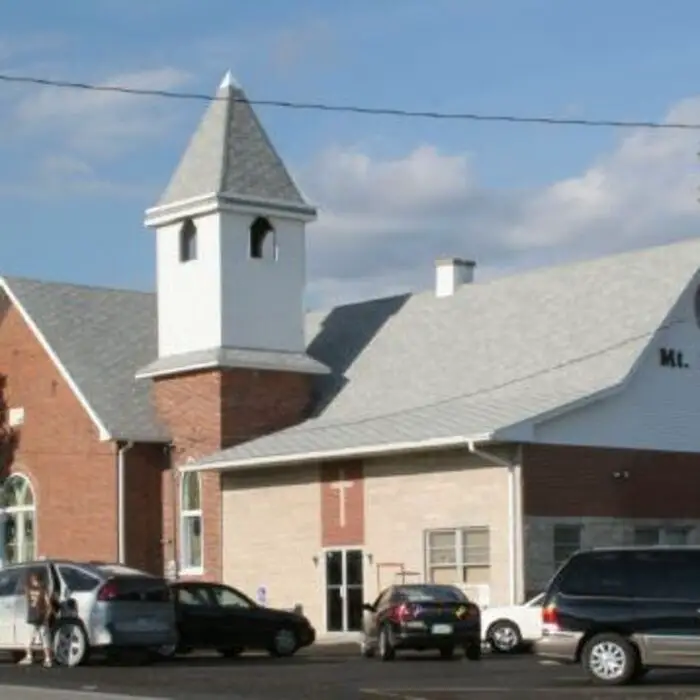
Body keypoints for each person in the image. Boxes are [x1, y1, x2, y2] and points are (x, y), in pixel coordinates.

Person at [19, 569, 54, 667]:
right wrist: (47, 615)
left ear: (33, 579)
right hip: (41, 617)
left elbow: (27, 598)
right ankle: (47, 659)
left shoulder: (28, 589)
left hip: (33, 616)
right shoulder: (43, 589)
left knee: (29, 638)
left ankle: (29, 656)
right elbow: (49, 605)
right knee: (45, 639)